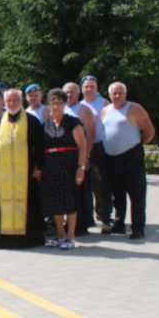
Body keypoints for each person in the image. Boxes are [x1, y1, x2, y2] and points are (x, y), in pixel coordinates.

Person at [0, 89, 46, 249]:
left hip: (25, 173)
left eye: (15, 100)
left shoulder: (32, 121)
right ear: (5, 103)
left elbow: (39, 146)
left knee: (28, 204)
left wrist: (40, 167)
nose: (12, 104)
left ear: (21, 101)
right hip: (3, 173)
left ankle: (28, 240)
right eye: (9, 101)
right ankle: (2, 240)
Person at [101, 82, 155, 239]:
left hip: (131, 157)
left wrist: (137, 144)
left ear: (125, 94)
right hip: (111, 158)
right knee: (117, 194)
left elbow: (150, 131)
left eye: (120, 93)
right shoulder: (105, 111)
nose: (117, 96)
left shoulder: (134, 108)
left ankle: (137, 228)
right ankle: (118, 225)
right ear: (110, 95)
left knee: (136, 194)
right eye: (114, 93)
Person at [41, 89, 89, 250]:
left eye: (59, 102)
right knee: (56, 201)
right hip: (51, 166)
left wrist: (81, 168)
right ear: (48, 105)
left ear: (65, 104)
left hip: (69, 165)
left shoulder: (73, 122)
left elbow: (82, 146)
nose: (56, 106)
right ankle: (60, 235)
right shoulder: (46, 123)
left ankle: (71, 236)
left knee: (69, 201)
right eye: (53, 103)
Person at [80, 75, 113, 229]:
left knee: (103, 183)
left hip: (100, 146)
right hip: (83, 148)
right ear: (82, 89)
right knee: (86, 184)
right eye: (86, 86)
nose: (89, 89)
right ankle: (88, 217)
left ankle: (104, 216)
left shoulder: (104, 103)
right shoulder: (79, 105)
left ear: (97, 88)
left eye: (92, 86)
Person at [64, 82, 96, 235]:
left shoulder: (83, 110)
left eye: (72, 92)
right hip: (65, 158)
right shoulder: (61, 108)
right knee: (69, 192)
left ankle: (83, 223)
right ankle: (70, 223)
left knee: (83, 192)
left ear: (77, 94)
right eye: (66, 92)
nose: (69, 95)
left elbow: (90, 134)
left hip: (80, 156)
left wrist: (85, 158)